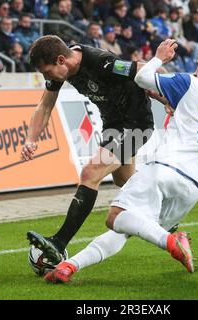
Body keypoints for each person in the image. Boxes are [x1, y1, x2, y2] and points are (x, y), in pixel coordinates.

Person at [44, 40, 198, 284]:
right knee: (127, 228)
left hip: (167, 169)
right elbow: (185, 112)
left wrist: (158, 58)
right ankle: (69, 267)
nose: (196, 69)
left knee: (115, 217)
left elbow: (143, 76)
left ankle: (172, 241)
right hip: (196, 185)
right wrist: (164, 100)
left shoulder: (191, 83)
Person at [23, 35, 156, 264]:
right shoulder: (61, 68)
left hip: (136, 123)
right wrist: (30, 139)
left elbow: (144, 70)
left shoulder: (101, 61)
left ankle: (59, 243)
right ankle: (162, 212)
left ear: (61, 60)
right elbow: (45, 105)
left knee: (90, 173)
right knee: (125, 181)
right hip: (114, 125)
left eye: (46, 72)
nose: (47, 78)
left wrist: (171, 99)